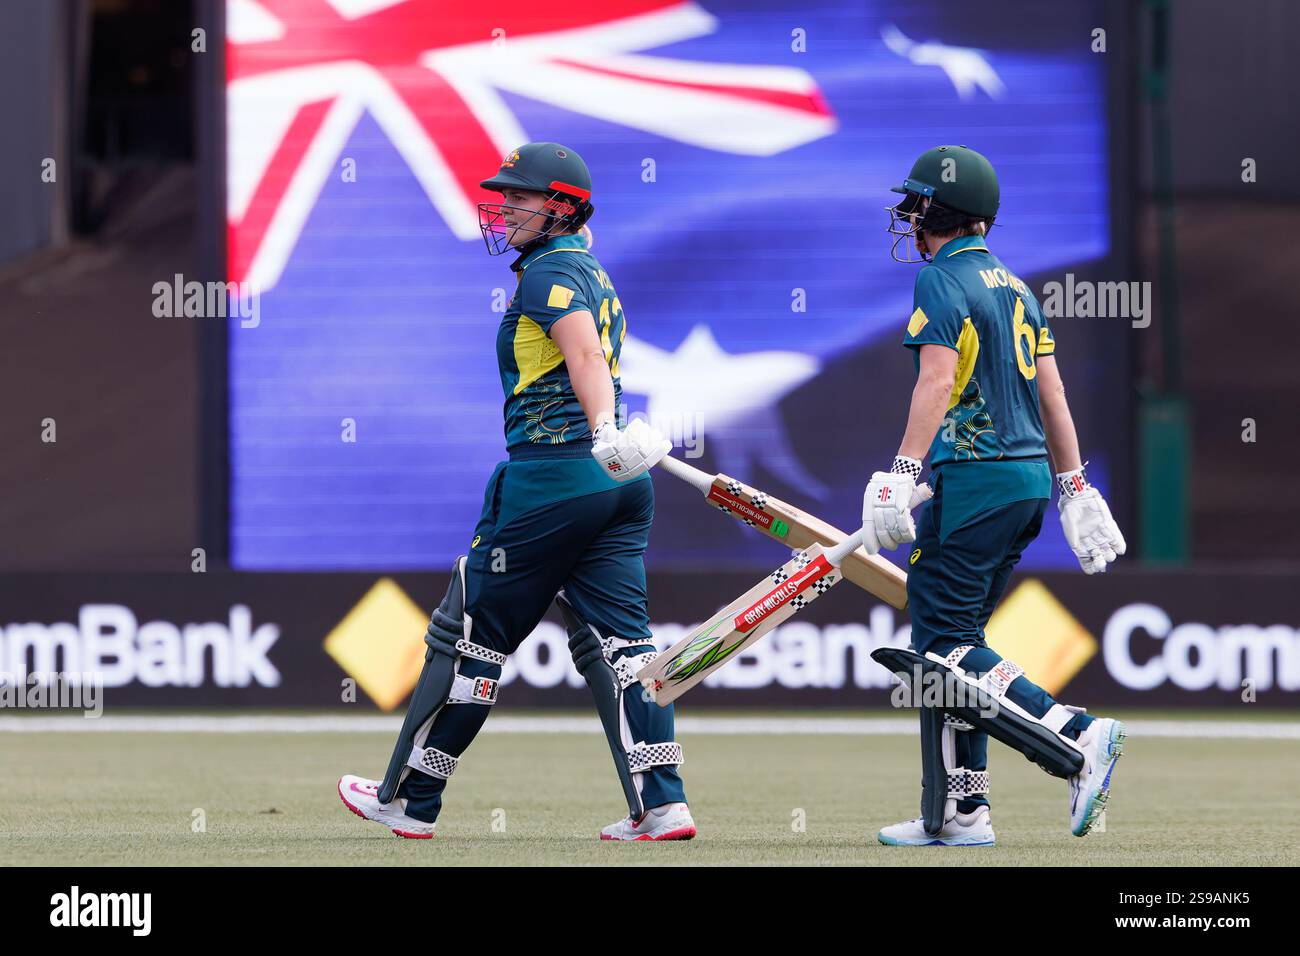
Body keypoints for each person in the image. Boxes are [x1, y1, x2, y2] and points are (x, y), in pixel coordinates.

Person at [337, 142, 695, 842]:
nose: (505, 209)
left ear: (561, 207)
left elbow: (585, 355)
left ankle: (409, 799)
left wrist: (600, 428)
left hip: (553, 476)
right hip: (620, 487)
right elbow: (593, 356)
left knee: (470, 636)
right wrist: (611, 436)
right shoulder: (591, 270)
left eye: (520, 198)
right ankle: (663, 803)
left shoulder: (549, 271)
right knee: (626, 650)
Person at [862, 145, 1128, 846]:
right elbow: (1053, 393)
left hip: (975, 483)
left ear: (933, 212)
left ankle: (1078, 737)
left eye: (913, 205)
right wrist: (1074, 488)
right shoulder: (1016, 285)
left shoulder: (942, 282)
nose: (906, 218)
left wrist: (901, 469)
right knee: (950, 649)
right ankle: (961, 812)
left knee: (942, 645)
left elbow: (937, 382)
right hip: (1024, 483)